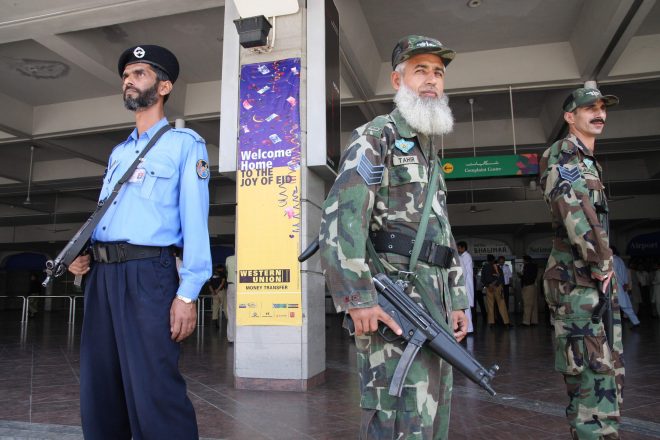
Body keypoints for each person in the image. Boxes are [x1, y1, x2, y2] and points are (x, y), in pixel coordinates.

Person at [319, 35, 468, 439]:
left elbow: (443, 232)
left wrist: (457, 300)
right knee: (397, 413)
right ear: (397, 80)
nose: (432, 80)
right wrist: (357, 298)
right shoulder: (376, 136)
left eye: (438, 72)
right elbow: (340, 219)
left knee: (432, 409)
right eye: (420, 70)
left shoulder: (431, 151)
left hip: (433, 297)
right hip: (392, 302)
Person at [68, 44, 212, 440]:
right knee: (100, 385)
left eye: (139, 74)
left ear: (164, 86)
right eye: (126, 75)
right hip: (103, 276)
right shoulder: (118, 152)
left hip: (149, 274)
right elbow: (107, 213)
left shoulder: (185, 145)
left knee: (153, 386)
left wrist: (187, 294)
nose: (129, 80)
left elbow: (195, 221)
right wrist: (83, 255)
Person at [540, 87, 624, 439]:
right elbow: (573, 208)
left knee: (607, 374)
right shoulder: (562, 153)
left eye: (602, 107)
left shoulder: (589, 162)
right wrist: (601, 262)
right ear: (569, 117)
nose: (598, 113)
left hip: (591, 282)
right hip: (577, 284)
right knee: (591, 380)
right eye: (589, 108)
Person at [611, 247, 640, 328]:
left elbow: (616, 274)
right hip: (621, 285)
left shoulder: (613, 260)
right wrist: (625, 283)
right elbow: (624, 273)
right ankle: (635, 322)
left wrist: (622, 283)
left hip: (617, 285)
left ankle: (635, 322)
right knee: (626, 305)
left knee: (621, 305)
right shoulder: (619, 259)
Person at [480, 254, 511, 328]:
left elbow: (482, 279)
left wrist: (488, 285)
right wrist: (495, 284)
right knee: (502, 305)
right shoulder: (497, 267)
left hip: (489, 288)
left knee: (490, 306)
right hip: (497, 287)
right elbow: (501, 278)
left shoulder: (484, 267)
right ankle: (506, 322)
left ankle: (491, 323)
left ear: (487, 260)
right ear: (494, 260)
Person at [457, 241, 474, 333]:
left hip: (465, 285)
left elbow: (464, 272)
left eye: (459, 248)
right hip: (465, 285)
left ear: (463, 248)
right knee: (465, 308)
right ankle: (468, 328)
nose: (458, 250)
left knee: (466, 308)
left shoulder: (465, 257)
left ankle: (469, 328)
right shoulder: (464, 257)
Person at [519, 255, 538, 326]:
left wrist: (521, 276)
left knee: (527, 304)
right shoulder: (535, 266)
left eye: (523, 260)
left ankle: (526, 322)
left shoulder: (526, 266)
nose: (523, 262)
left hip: (527, 286)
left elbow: (526, 276)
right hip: (533, 286)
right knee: (534, 305)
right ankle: (534, 321)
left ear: (525, 260)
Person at [209, 265, 227, 329]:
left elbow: (210, 285)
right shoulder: (222, 274)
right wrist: (218, 290)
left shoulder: (212, 276)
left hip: (214, 293)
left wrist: (213, 292)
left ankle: (215, 323)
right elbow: (222, 283)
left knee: (215, 308)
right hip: (221, 292)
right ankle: (229, 321)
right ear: (221, 269)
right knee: (225, 307)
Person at [224, 254, 236, 343]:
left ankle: (231, 337)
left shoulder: (228, 258)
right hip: (242, 287)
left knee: (231, 312)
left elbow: (227, 271)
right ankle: (240, 336)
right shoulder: (244, 258)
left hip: (231, 286)